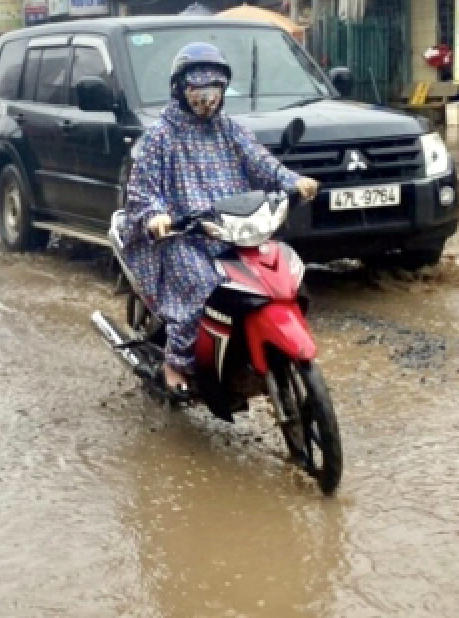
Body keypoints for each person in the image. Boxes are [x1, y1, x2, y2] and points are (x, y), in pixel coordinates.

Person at [119, 43, 319, 397]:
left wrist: (293, 182)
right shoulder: (160, 136)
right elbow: (142, 189)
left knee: (277, 272)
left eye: (215, 87)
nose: (207, 96)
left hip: (233, 229)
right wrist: (156, 216)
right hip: (183, 234)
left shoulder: (229, 129)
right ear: (181, 90)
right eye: (198, 87)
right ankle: (176, 361)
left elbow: (261, 162)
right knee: (202, 286)